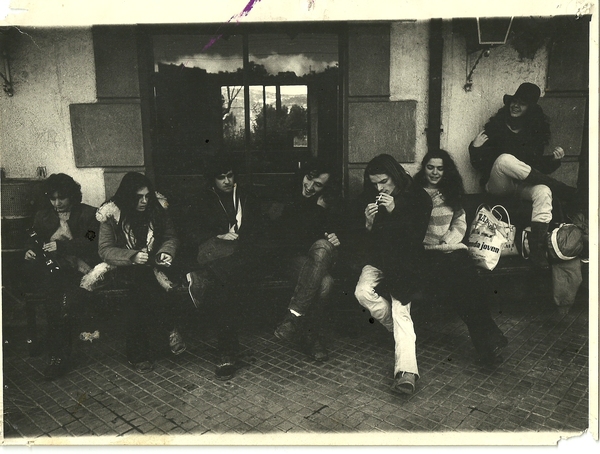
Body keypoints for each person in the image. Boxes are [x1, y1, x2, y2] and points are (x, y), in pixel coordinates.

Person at [413, 149, 508, 366]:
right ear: (424, 168)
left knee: (469, 289)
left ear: (446, 170)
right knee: (466, 289)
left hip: (451, 250)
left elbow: (460, 221)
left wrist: (449, 237)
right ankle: (489, 344)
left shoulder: (451, 191)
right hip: (427, 255)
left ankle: (487, 349)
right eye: (430, 167)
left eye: (440, 168)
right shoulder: (415, 191)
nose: (435, 173)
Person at [469, 82, 576, 268]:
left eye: (522, 103)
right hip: (498, 184)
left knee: (543, 190)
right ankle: (562, 189)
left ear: (531, 109)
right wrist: (475, 149)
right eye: (514, 101)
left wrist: (554, 160)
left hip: (521, 186)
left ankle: (536, 249)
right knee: (504, 160)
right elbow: (480, 164)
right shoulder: (495, 128)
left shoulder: (534, 133)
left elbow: (535, 168)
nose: (516, 106)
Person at [353, 154, 432, 395]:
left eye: (384, 181)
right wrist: (367, 224)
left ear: (395, 174)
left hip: (406, 263)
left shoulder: (419, 196)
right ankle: (399, 333)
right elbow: (364, 240)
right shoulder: (371, 194)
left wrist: (395, 211)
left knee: (400, 308)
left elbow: (415, 238)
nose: (379, 188)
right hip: (379, 260)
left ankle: (406, 373)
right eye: (375, 183)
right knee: (362, 292)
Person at [185, 156, 267, 380]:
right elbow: (191, 231)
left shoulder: (247, 196)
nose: (227, 181)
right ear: (212, 180)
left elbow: (260, 230)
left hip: (244, 256)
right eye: (221, 177)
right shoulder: (203, 198)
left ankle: (227, 351)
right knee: (225, 286)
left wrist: (242, 238)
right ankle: (228, 349)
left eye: (230, 175)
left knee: (223, 285)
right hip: (218, 257)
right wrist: (217, 235)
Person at [96, 172, 186, 374]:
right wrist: (132, 257)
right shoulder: (111, 214)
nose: (144, 201)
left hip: (156, 265)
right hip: (123, 268)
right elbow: (105, 249)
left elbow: (171, 237)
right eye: (138, 197)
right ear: (127, 196)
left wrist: (165, 253)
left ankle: (139, 353)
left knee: (144, 285)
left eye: (147, 196)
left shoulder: (158, 208)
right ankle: (169, 328)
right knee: (139, 287)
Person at [23, 173, 100, 380]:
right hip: (52, 270)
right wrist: (30, 250)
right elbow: (35, 238)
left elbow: (92, 240)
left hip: (80, 269)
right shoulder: (43, 216)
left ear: (72, 196)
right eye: (52, 198)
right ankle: (58, 354)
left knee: (65, 303)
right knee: (55, 302)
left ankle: (59, 355)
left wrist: (62, 246)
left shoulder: (89, 214)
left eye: (61, 198)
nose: (56, 203)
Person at [272, 159, 343, 362]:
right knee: (325, 283)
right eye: (309, 178)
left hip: (318, 258)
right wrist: (317, 212)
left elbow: (336, 233)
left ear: (327, 187)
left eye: (318, 185)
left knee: (322, 246)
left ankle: (293, 319)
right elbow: (287, 238)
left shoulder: (330, 202)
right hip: (288, 258)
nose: (310, 187)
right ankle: (310, 335)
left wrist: (337, 238)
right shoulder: (286, 195)